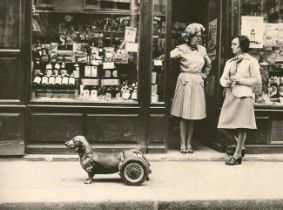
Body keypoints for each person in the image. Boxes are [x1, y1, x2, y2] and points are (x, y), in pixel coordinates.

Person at [217, 35, 262, 165]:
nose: (232, 46)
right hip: (231, 95)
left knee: (242, 126)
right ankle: (240, 146)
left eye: (234, 44)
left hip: (244, 95)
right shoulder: (230, 62)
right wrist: (227, 83)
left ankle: (237, 155)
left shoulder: (251, 61)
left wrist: (239, 81)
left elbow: (256, 80)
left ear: (242, 46)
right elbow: (222, 78)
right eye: (232, 44)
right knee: (222, 126)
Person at [168, 23, 211, 154]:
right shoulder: (180, 48)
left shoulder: (202, 50)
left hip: (197, 81)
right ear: (189, 37)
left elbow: (209, 64)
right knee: (184, 115)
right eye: (197, 36)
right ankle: (182, 144)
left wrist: (204, 75)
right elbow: (168, 56)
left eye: (200, 36)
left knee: (193, 115)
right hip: (185, 81)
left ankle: (189, 143)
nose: (199, 38)